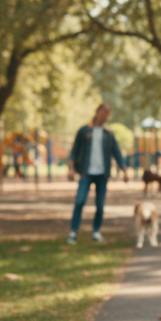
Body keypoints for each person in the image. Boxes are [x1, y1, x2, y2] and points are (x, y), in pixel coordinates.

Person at [66, 103, 129, 244]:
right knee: (80, 201)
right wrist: (71, 169)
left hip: (103, 174)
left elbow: (117, 153)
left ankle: (96, 232)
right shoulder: (84, 130)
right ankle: (73, 232)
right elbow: (74, 151)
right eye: (103, 112)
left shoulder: (108, 133)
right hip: (85, 172)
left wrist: (124, 169)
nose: (105, 115)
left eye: (107, 113)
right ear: (97, 112)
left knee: (100, 205)